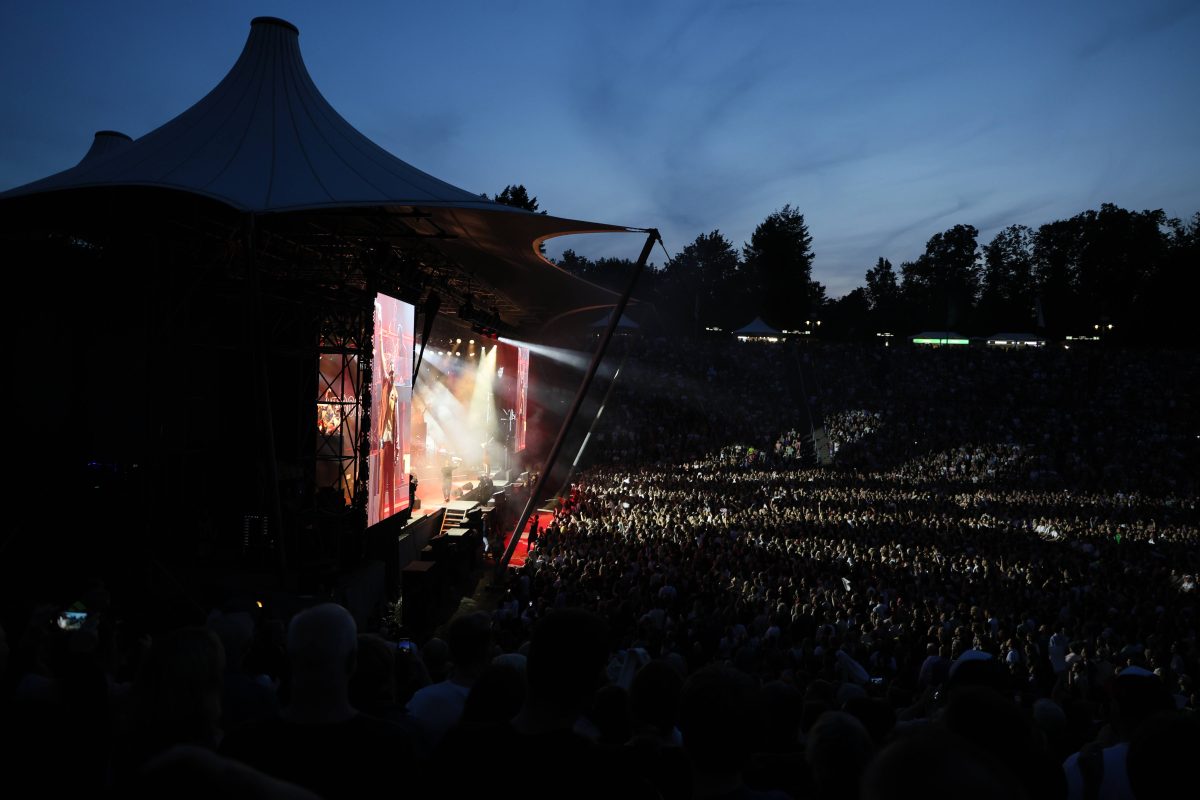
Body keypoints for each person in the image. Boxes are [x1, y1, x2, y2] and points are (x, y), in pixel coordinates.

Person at [377, 363, 399, 520]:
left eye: (393, 373)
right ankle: (380, 515)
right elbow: (382, 364)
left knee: (391, 483)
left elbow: (396, 422)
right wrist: (382, 341)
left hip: (391, 443)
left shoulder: (394, 394)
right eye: (390, 373)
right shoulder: (385, 391)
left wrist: (397, 447)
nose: (391, 375)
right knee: (382, 482)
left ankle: (391, 513)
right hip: (383, 443)